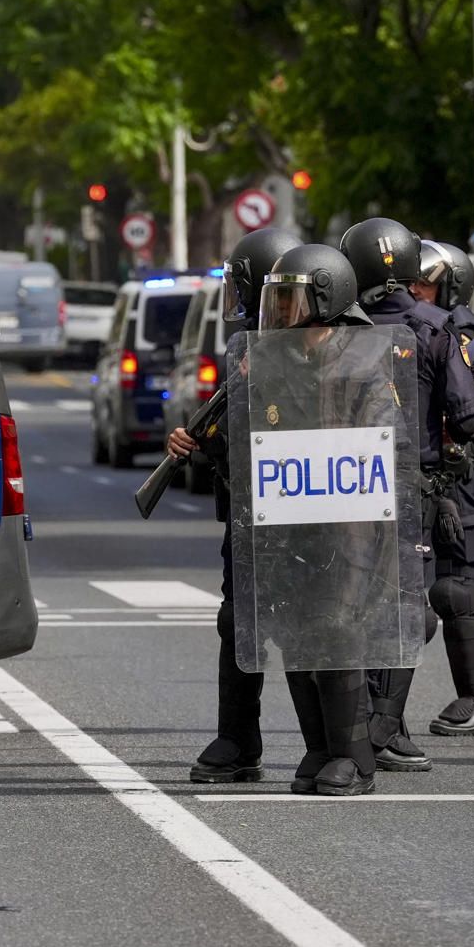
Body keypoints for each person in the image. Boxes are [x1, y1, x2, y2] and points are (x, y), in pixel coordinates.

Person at [338, 218, 474, 772]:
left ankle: (375, 728)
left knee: (357, 606)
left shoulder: (336, 326)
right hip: (408, 486)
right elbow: (466, 417)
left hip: (345, 484)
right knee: (406, 610)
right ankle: (381, 726)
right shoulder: (437, 326)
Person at [250, 243, 386, 796]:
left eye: (292, 300)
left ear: (327, 300)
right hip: (288, 519)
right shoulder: (269, 359)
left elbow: (383, 437)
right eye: (275, 301)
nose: (281, 313)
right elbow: (247, 431)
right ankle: (316, 747)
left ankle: (354, 759)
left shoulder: (366, 358)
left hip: (349, 518)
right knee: (298, 633)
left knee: (339, 629)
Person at [166, 226, 298, 784]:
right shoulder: (244, 346)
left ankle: (350, 741)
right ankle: (238, 740)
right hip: (248, 514)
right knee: (237, 623)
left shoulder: (320, 346)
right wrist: (199, 444)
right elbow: (239, 432)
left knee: (317, 627)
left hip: (303, 512)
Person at [414, 240, 474, 735]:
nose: (415, 292)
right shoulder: (414, 325)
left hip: (454, 476)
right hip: (415, 473)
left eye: (424, 284)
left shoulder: (460, 334)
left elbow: (458, 405)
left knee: (456, 587)